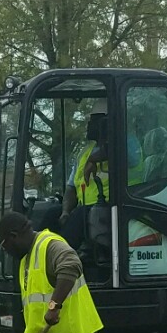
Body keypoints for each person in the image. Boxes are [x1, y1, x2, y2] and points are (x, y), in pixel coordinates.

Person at [63, 111, 113, 265]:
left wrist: (94, 159)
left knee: (80, 216)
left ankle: (62, 261)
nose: (88, 126)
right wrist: (65, 211)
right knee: (51, 213)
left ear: (105, 123)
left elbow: (117, 150)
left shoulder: (127, 142)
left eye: (93, 122)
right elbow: (71, 188)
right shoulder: (85, 152)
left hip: (115, 207)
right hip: (88, 209)